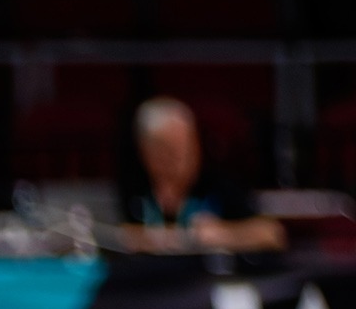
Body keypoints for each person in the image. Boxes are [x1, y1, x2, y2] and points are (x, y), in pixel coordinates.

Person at [119, 96, 285, 253]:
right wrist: (170, 238)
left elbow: (272, 234)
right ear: (146, 152)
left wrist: (224, 235)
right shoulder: (134, 186)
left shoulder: (218, 184)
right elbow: (112, 235)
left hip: (208, 279)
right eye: (169, 150)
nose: (183, 159)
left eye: (188, 147)